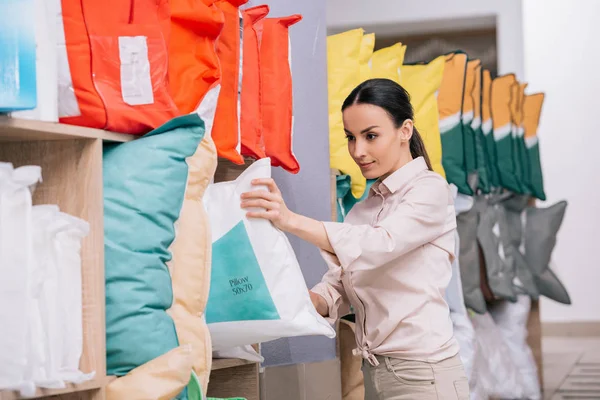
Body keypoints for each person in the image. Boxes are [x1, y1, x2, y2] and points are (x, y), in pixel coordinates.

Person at [240, 78, 469, 400]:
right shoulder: (365, 208)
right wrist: (294, 298)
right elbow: (340, 285)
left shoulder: (430, 190)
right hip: (374, 372)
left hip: (424, 375)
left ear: (405, 130)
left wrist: (289, 220)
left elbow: (378, 244)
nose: (358, 151)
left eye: (371, 136)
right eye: (351, 137)